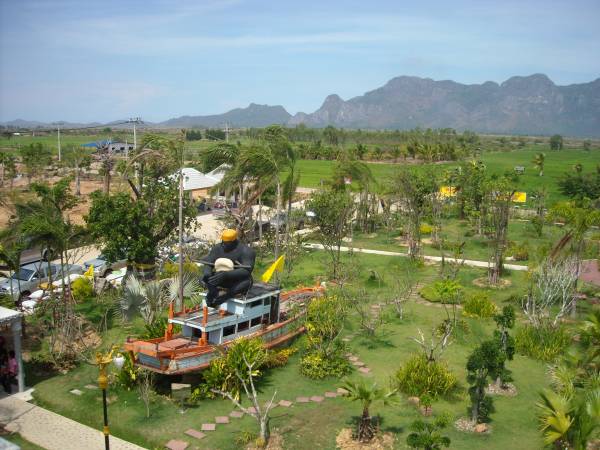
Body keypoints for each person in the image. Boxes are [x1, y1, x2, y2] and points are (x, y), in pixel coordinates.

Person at [201, 229, 256, 307]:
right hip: (219, 278)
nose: (223, 245)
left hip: (236, 281)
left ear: (234, 242)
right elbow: (208, 262)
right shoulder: (217, 248)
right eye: (222, 242)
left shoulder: (246, 251)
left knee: (247, 282)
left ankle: (226, 296)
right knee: (203, 278)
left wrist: (227, 274)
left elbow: (247, 271)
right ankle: (213, 292)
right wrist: (207, 272)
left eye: (226, 243)